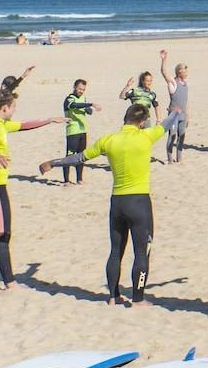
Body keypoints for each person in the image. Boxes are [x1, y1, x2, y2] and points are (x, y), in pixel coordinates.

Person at [39, 102, 165, 305]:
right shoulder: (146, 136)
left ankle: (113, 296)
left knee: (116, 251)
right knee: (142, 253)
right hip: (139, 202)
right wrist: (176, 112)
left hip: (117, 203)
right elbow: (169, 122)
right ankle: (139, 299)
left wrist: (53, 163)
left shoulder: (109, 140)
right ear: (142, 123)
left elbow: (79, 158)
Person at [0, 88, 59, 289]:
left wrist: (49, 120)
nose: (15, 110)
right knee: (2, 233)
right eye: (13, 107)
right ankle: (9, 282)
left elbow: (23, 126)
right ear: (5, 108)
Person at [60, 79, 96, 185]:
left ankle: (79, 178)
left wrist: (89, 108)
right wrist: (90, 104)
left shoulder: (83, 99)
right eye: (79, 89)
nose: (81, 91)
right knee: (70, 156)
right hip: (73, 131)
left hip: (83, 130)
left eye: (83, 90)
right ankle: (66, 180)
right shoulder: (69, 99)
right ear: (74, 87)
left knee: (81, 156)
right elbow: (73, 105)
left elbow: (89, 111)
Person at [158, 51, 192, 163]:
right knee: (172, 136)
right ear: (179, 72)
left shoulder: (185, 84)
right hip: (173, 115)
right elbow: (163, 72)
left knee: (181, 136)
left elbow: (186, 102)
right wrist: (164, 59)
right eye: (184, 70)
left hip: (183, 115)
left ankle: (179, 158)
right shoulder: (173, 83)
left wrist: (187, 116)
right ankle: (170, 159)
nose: (186, 72)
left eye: (186, 70)